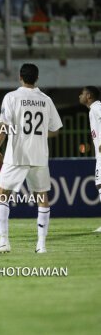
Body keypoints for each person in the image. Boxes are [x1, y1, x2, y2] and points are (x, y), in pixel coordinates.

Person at [0, 63, 63, 254]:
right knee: (42, 197)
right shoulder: (45, 99)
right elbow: (55, 130)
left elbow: (4, 126)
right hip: (39, 155)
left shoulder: (11, 97)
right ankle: (41, 245)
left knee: (1, 193)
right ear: (37, 78)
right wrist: (39, 135)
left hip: (17, 154)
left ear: (20, 77)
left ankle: (3, 242)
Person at [78, 86, 101, 232]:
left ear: (89, 96)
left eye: (82, 93)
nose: (79, 96)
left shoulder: (96, 108)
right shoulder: (94, 109)